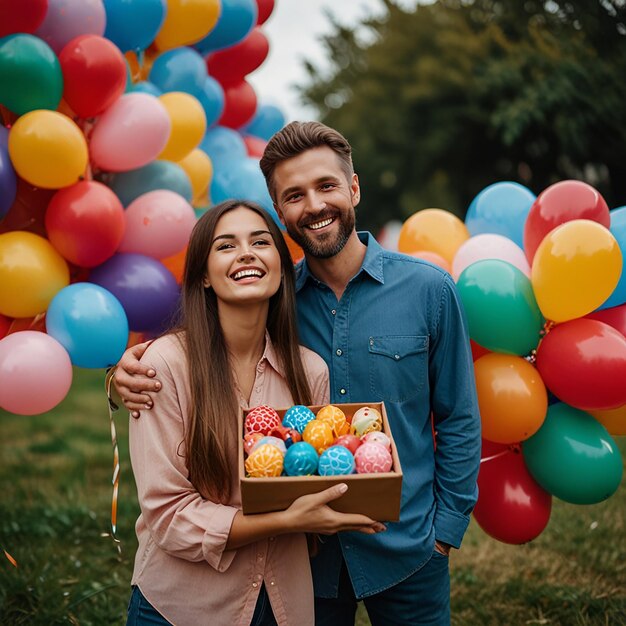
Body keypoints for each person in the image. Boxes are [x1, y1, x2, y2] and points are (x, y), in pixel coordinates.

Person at [114, 123, 482, 626]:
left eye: (326, 186)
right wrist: (122, 372)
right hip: (306, 562)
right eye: (293, 196)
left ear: (353, 188)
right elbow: (198, 343)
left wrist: (444, 531)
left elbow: (458, 415)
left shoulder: (428, 290)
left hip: (409, 548)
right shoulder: (272, 299)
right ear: (280, 210)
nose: (313, 205)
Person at [120, 198, 386, 626]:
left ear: (282, 268)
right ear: (204, 277)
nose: (246, 252)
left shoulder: (310, 371)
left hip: (283, 605)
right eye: (225, 246)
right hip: (182, 606)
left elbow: (317, 473)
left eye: (260, 242)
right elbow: (168, 517)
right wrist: (286, 520)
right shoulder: (163, 366)